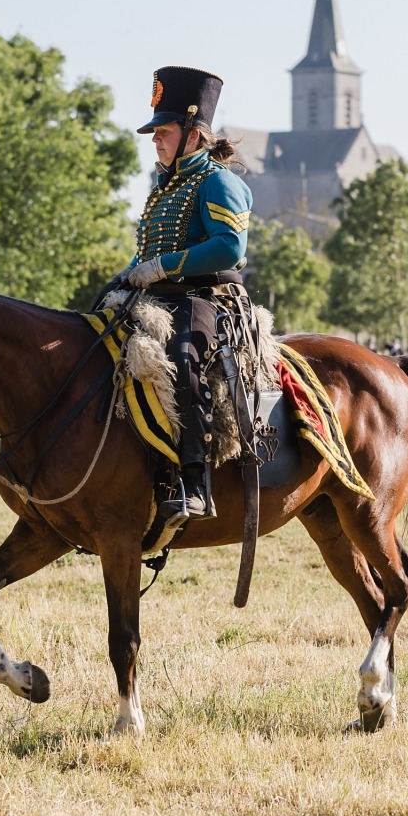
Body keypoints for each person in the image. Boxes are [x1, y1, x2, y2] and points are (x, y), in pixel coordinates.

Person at [108, 66, 252, 521]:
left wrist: (162, 267)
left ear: (194, 134)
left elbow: (230, 246)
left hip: (201, 299)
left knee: (182, 358)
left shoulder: (217, 181)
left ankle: (195, 482)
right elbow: (148, 251)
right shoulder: (166, 187)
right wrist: (127, 275)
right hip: (153, 297)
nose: (155, 139)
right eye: (154, 133)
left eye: (164, 131)